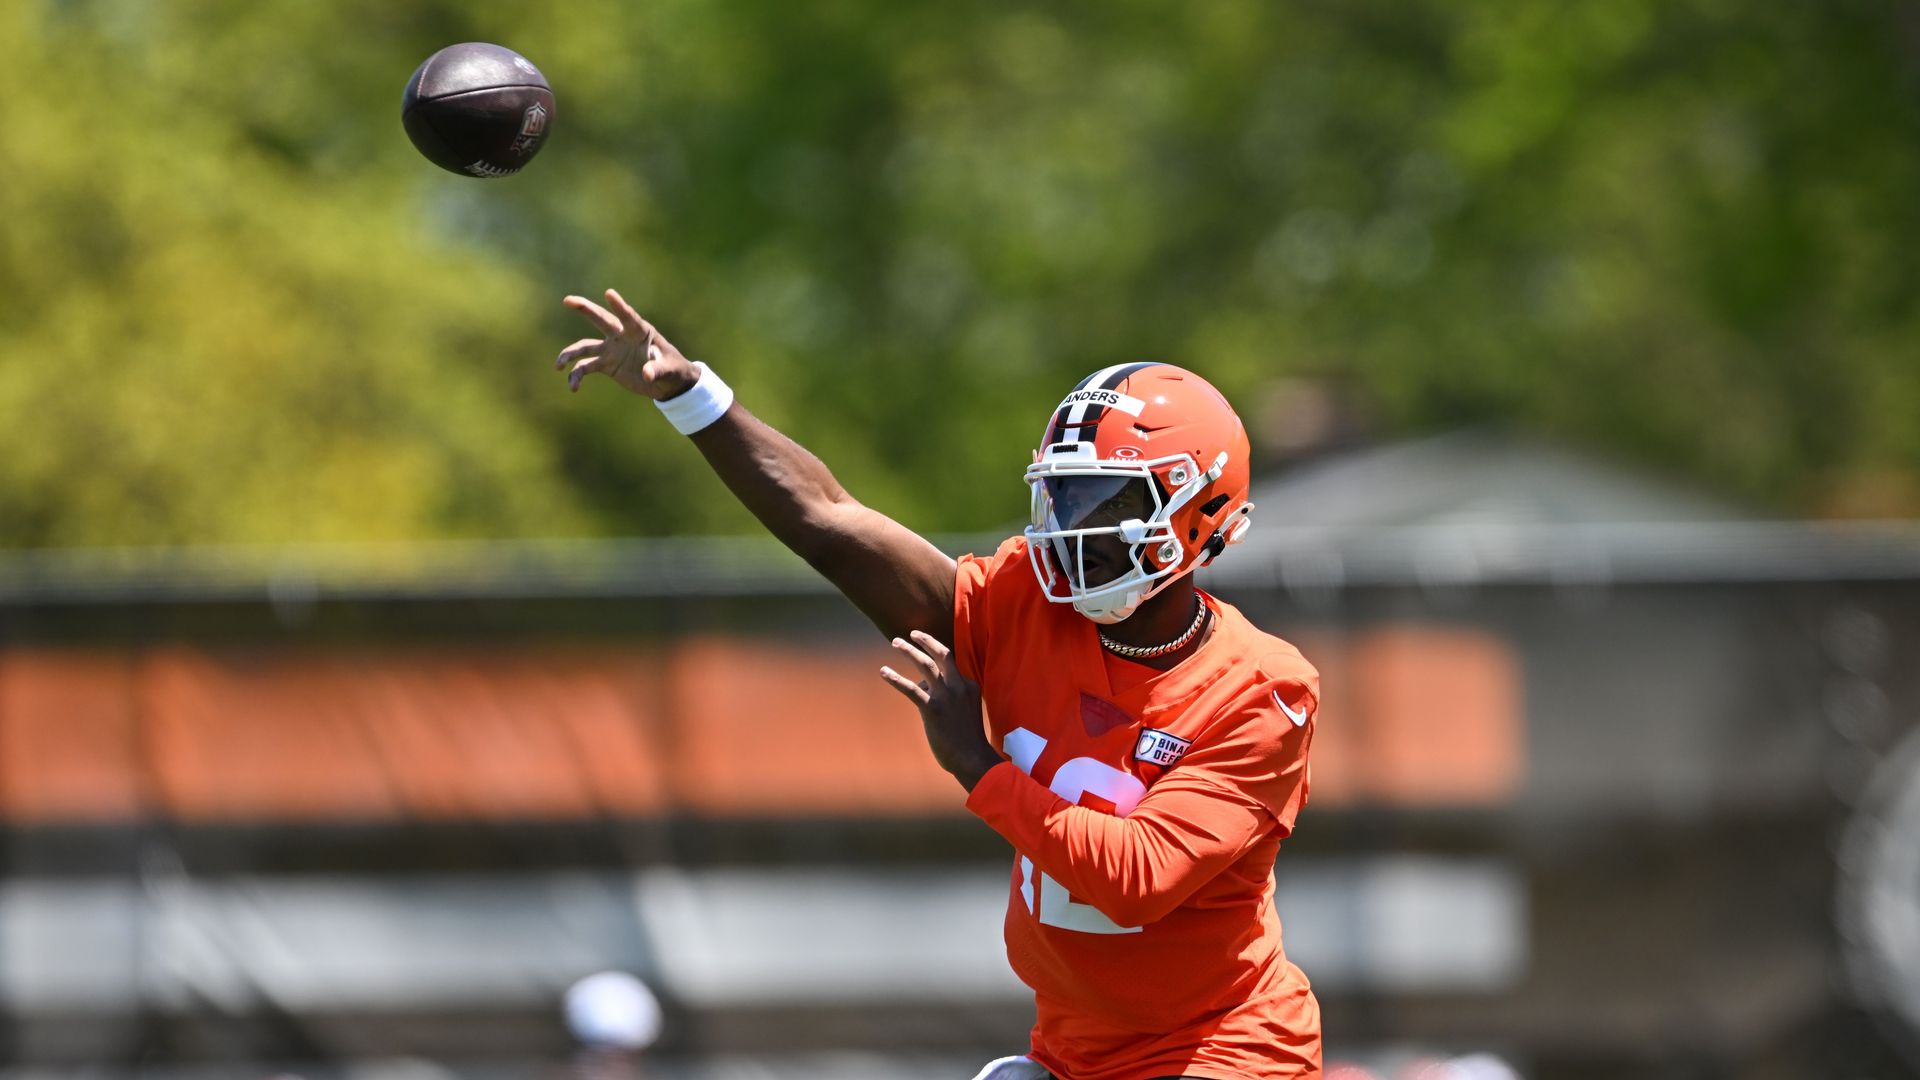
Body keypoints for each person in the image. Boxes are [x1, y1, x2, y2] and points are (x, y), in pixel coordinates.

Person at [554, 289, 1322, 1080]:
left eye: (1106, 499)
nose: (1069, 523)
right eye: (1064, 493)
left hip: (1223, 1049)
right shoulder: (1025, 600)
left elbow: (1134, 879)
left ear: (1202, 510)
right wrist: (693, 396)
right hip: (1075, 1048)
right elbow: (831, 520)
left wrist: (979, 768)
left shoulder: (1264, 690)